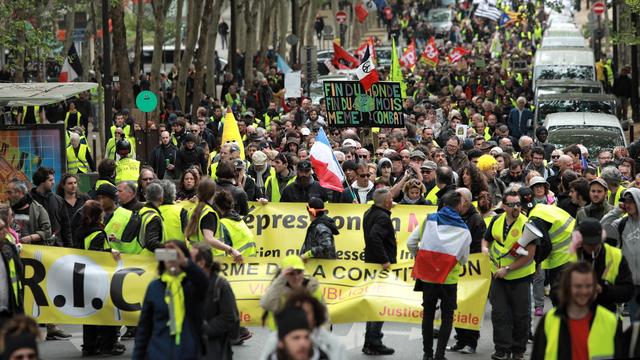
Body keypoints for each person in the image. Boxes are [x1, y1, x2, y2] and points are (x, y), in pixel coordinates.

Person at [408, 191, 471, 360]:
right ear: (458, 206)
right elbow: (464, 259)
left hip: (428, 277)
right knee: (447, 317)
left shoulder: (429, 219)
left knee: (428, 314)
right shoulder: (464, 230)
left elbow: (411, 243)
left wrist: (420, 257)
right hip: (449, 279)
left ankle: (427, 354)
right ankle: (439, 355)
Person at [481, 191, 535, 360]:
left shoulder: (528, 225)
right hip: (498, 275)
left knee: (521, 315)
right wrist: (484, 248)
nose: (516, 207)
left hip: (520, 277)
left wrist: (509, 268)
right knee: (499, 314)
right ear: (503, 206)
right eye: (511, 205)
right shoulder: (496, 220)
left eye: (518, 204)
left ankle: (518, 350)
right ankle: (501, 349)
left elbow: (529, 256)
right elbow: (486, 238)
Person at [531, 261, 623, 360]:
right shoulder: (549, 320)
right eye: (578, 286)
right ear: (567, 288)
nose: (584, 291)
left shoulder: (610, 321)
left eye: (588, 286)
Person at [133, 240, 209, 359]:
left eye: (175, 255)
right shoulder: (154, 287)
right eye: (167, 255)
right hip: (158, 353)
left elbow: (204, 282)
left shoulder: (191, 285)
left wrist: (185, 262)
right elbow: (144, 327)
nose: (171, 260)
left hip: (188, 353)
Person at [77, 200, 125, 356]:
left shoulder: (81, 231)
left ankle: (89, 346)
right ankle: (108, 345)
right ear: (99, 216)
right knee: (106, 311)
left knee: (90, 314)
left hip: (83, 276)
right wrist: (110, 252)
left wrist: (107, 244)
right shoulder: (98, 233)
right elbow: (97, 256)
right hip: (98, 278)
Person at [447, 188, 484, 355]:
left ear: (466, 202)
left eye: (458, 199)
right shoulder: (454, 216)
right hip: (455, 268)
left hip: (471, 269)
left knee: (470, 306)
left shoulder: (476, 220)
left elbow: (477, 245)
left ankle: (471, 342)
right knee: (457, 305)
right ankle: (460, 339)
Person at [190, 243, 241, 360]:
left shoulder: (221, 285)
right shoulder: (189, 283)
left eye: (190, 260)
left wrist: (201, 330)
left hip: (214, 348)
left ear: (201, 263)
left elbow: (229, 317)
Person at [572, 217, 634, 312]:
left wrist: (603, 289)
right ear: (580, 241)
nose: (592, 247)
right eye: (588, 244)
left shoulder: (615, 256)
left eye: (596, 243)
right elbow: (556, 291)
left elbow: (627, 292)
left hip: (607, 314)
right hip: (577, 314)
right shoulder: (571, 256)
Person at [260, 292, 346, 360]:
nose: (302, 343)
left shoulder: (334, 344)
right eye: (296, 338)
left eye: (306, 337)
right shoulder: (274, 339)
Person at [362, 188, 396, 355]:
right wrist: (385, 260)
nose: (392, 201)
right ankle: (374, 341)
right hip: (379, 267)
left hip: (371, 264)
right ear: (387, 202)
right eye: (390, 199)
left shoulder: (370, 213)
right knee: (380, 305)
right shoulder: (382, 218)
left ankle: (370, 340)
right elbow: (375, 237)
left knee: (374, 304)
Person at [526, 201, 577, 306]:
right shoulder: (541, 208)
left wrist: (536, 263)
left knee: (559, 293)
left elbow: (546, 245)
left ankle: (562, 317)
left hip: (562, 255)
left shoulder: (534, 218)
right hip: (575, 244)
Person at [601, 188, 640, 320]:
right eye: (625, 202)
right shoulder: (621, 223)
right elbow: (602, 227)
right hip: (632, 283)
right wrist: (617, 211)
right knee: (635, 322)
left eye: (631, 201)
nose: (628, 205)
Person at [184, 178, 243, 262]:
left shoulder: (193, 209)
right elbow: (209, 239)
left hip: (195, 257)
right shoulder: (208, 213)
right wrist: (231, 250)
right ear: (213, 193)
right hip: (210, 259)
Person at [260, 255, 324, 330]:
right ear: (283, 274)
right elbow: (266, 304)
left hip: (307, 334)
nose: (296, 277)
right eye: (291, 273)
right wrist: (281, 279)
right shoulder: (277, 289)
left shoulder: (312, 287)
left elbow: (323, 316)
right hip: (280, 335)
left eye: (299, 272)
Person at [30, 167, 72, 247]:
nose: (53, 182)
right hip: (34, 247)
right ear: (42, 182)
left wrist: (69, 247)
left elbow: (66, 227)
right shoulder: (28, 200)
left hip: (56, 248)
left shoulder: (58, 200)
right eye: (50, 180)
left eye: (53, 179)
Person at [5, 180, 51, 245]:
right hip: (11, 251)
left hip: (31, 252)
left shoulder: (38, 209)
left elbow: (47, 232)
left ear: (19, 192)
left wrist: (30, 238)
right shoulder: (6, 209)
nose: (7, 196)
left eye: (9, 192)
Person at [214, 190, 257, 258]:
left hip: (235, 263)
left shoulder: (223, 224)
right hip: (249, 262)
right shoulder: (239, 220)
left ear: (217, 207)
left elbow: (224, 249)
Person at [0, 218, 24, 328]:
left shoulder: (7, 248)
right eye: (1, 229)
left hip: (8, 310)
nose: (5, 231)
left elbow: (19, 269)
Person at [137, 182, 165, 253]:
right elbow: (151, 243)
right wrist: (170, 251)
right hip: (150, 259)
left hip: (138, 255)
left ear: (146, 197)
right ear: (161, 199)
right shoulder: (154, 218)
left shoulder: (141, 211)